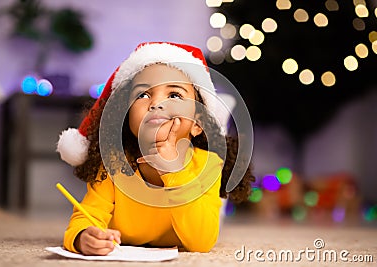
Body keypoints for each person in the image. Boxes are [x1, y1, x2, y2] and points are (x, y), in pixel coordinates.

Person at [56, 42, 254, 255]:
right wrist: (82, 237)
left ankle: (220, 117)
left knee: (213, 217)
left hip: (197, 209)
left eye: (175, 95)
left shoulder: (209, 164)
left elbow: (200, 243)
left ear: (198, 123)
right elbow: (87, 216)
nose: (156, 104)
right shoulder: (113, 164)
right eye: (143, 95)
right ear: (126, 116)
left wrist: (174, 172)